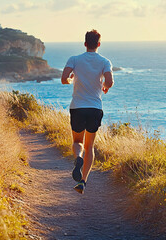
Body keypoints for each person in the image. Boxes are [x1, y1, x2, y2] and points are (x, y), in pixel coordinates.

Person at [61, 29, 114, 194]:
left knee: (78, 142)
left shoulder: (74, 59)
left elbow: (64, 79)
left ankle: (78, 157)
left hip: (77, 106)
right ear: (98, 44)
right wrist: (104, 86)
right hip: (95, 108)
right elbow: (110, 81)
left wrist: (71, 80)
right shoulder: (105, 61)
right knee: (90, 145)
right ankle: (83, 182)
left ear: (85, 44)